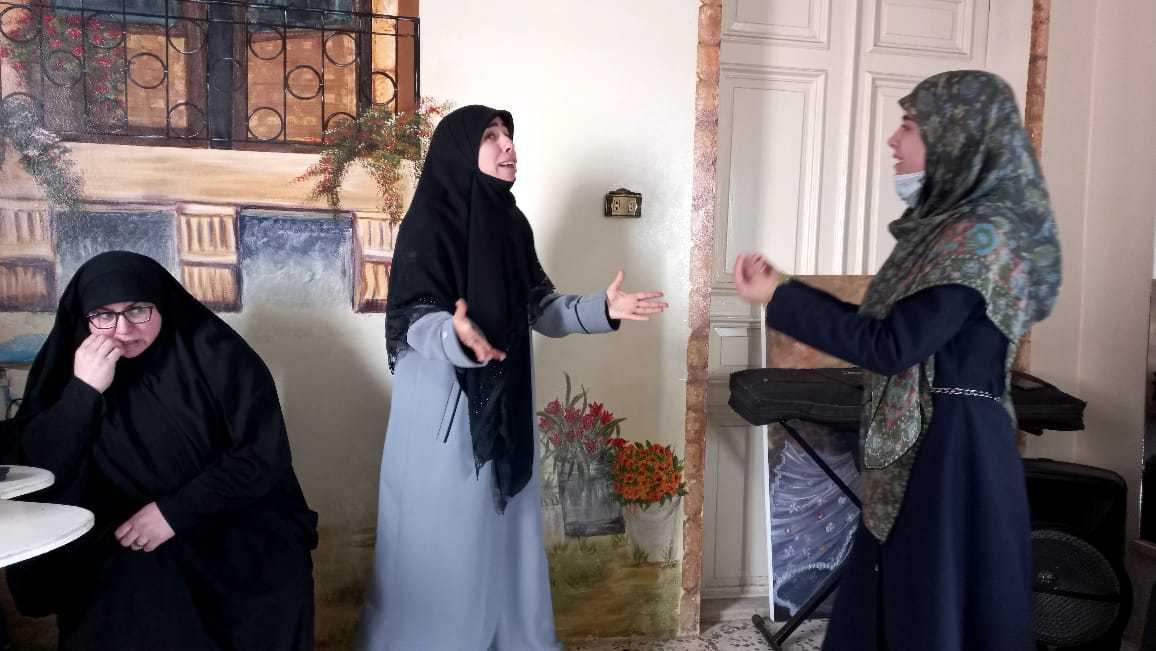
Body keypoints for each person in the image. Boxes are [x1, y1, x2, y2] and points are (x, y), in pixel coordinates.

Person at [733, 70, 1061, 649]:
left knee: (930, 604)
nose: (893, 139)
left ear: (955, 138)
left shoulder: (979, 240)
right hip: (936, 441)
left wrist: (778, 296)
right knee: (904, 598)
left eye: (909, 125)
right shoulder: (949, 235)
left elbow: (891, 346)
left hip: (954, 454)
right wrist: (781, 291)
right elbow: (887, 333)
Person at [359, 105, 668, 650]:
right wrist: (455, 335)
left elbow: (539, 306)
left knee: (504, 541)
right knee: (444, 543)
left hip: (506, 406)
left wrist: (602, 309)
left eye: (509, 135)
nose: (508, 146)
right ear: (460, 151)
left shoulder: (511, 224)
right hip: (443, 417)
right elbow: (412, 318)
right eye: (491, 136)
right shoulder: (429, 222)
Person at [6, 251, 318, 650]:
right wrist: (84, 392)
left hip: (227, 513)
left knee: (267, 575)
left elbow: (261, 455)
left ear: (162, 304)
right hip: (118, 525)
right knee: (130, 586)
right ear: (84, 318)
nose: (122, 329)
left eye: (138, 310)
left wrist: (174, 512)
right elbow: (41, 468)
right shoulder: (68, 369)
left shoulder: (218, 354)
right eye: (103, 315)